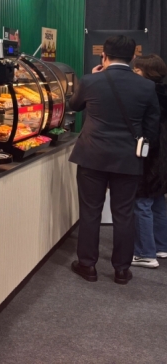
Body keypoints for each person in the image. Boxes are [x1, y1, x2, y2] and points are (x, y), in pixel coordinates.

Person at [69, 35, 160, 285]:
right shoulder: (146, 86)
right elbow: (152, 129)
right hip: (128, 159)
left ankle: (87, 265)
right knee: (124, 214)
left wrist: (91, 77)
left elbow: (74, 105)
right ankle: (121, 269)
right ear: (133, 57)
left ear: (104, 55)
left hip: (92, 156)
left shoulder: (90, 81)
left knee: (90, 211)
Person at [131, 54, 167, 268]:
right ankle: (161, 246)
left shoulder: (147, 94)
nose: (133, 73)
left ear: (146, 72)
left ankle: (145, 253)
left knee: (142, 201)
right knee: (159, 201)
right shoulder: (162, 92)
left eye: (136, 70)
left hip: (150, 154)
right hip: (163, 155)